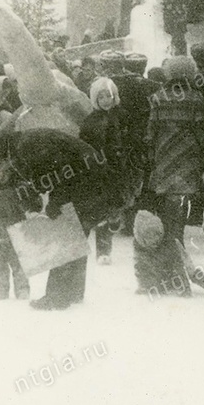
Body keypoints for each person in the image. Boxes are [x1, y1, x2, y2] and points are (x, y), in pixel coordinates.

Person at [0, 127, 125, 310]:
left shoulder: (24, 146)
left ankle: (57, 297)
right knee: (76, 233)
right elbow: (47, 174)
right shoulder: (22, 142)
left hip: (87, 181)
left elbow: (60, 170)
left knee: (64, 233)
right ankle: (73, 292)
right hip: (93, 179)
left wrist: (55, 203)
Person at [145, 55, 204, 246]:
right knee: (183, 194)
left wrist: (151, 148)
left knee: (166, 194)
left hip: (164, 151)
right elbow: (199, 127)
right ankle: (177, 235)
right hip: (188, 152)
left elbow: (152, 126)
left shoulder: (158, 97)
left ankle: (166, 233)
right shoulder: (196, 97)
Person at [78, 77, 132, 265]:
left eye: (108, 96)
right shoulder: (90, 121)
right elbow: (84, 145)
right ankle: (103, 250)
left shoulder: (123, 116)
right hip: (98, 171)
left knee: (116, 204)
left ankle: (115, 220)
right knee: (101, 208)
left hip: (120, 168)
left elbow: (131, 139)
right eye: (101, 97)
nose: (106, 100)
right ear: (95, 99)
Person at [132, 210, 204, 298]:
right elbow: (140, 267)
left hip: (178, 254)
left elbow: (178, 267)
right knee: (154, 269)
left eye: (157, 237)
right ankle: (167, 285)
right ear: (141, 238)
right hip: (159, 258)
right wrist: (144, 285)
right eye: (150, 239)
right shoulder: (139, 246)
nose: (155, 241)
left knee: (191, 273)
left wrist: (184, 289)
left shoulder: (169, 243)